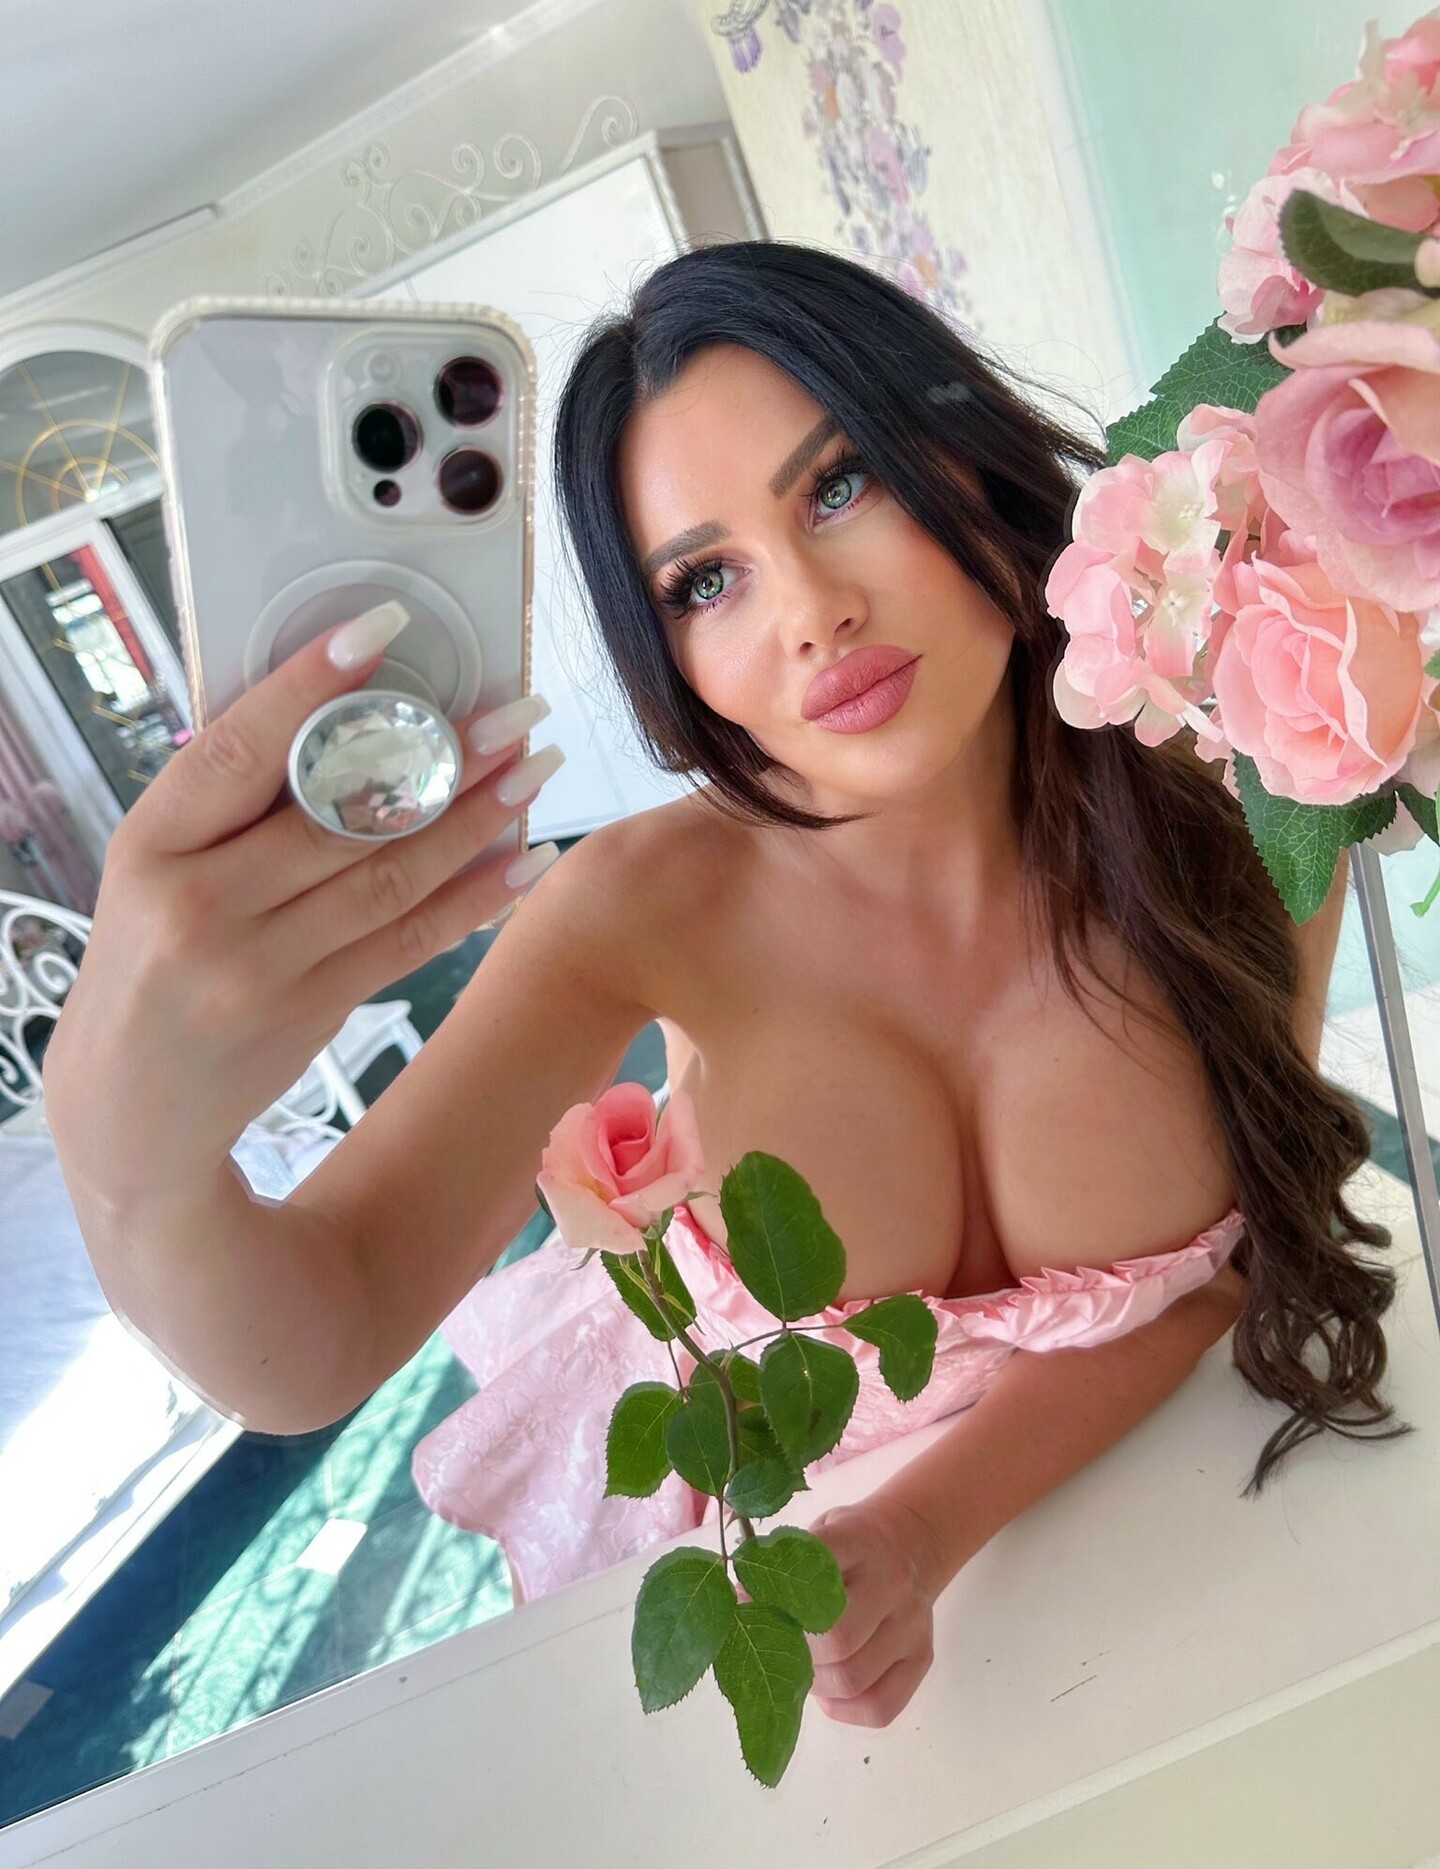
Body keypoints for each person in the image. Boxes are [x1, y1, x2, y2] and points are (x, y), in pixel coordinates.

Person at [44, 241, 1411, 1734]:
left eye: (838, 486)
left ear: (961, 452)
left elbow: (1235, 1258)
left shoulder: (1251, 766)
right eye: (706, 581)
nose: (809, 612)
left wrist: (920, 1530)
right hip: (809, 1678)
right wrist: (129, 1164)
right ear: (669, 657)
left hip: (1219, 1574)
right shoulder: (641, 907)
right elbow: (322, 1334)